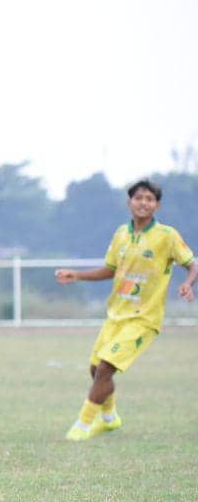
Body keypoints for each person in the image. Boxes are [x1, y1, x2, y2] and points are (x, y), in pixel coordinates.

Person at [55, 178, 195, 441]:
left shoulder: (167, 236)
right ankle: (110, 419)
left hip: (144, 319)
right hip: (116, 315)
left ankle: (83, 425)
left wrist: (188, 284)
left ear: (157, 205)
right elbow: (110, 269)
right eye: (139, 198)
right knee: (96, 370)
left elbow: (192, 263)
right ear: (129, 202)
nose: (144, 203)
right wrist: (77, 275)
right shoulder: (121, 233)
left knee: (106, 367)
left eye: (149, 199)